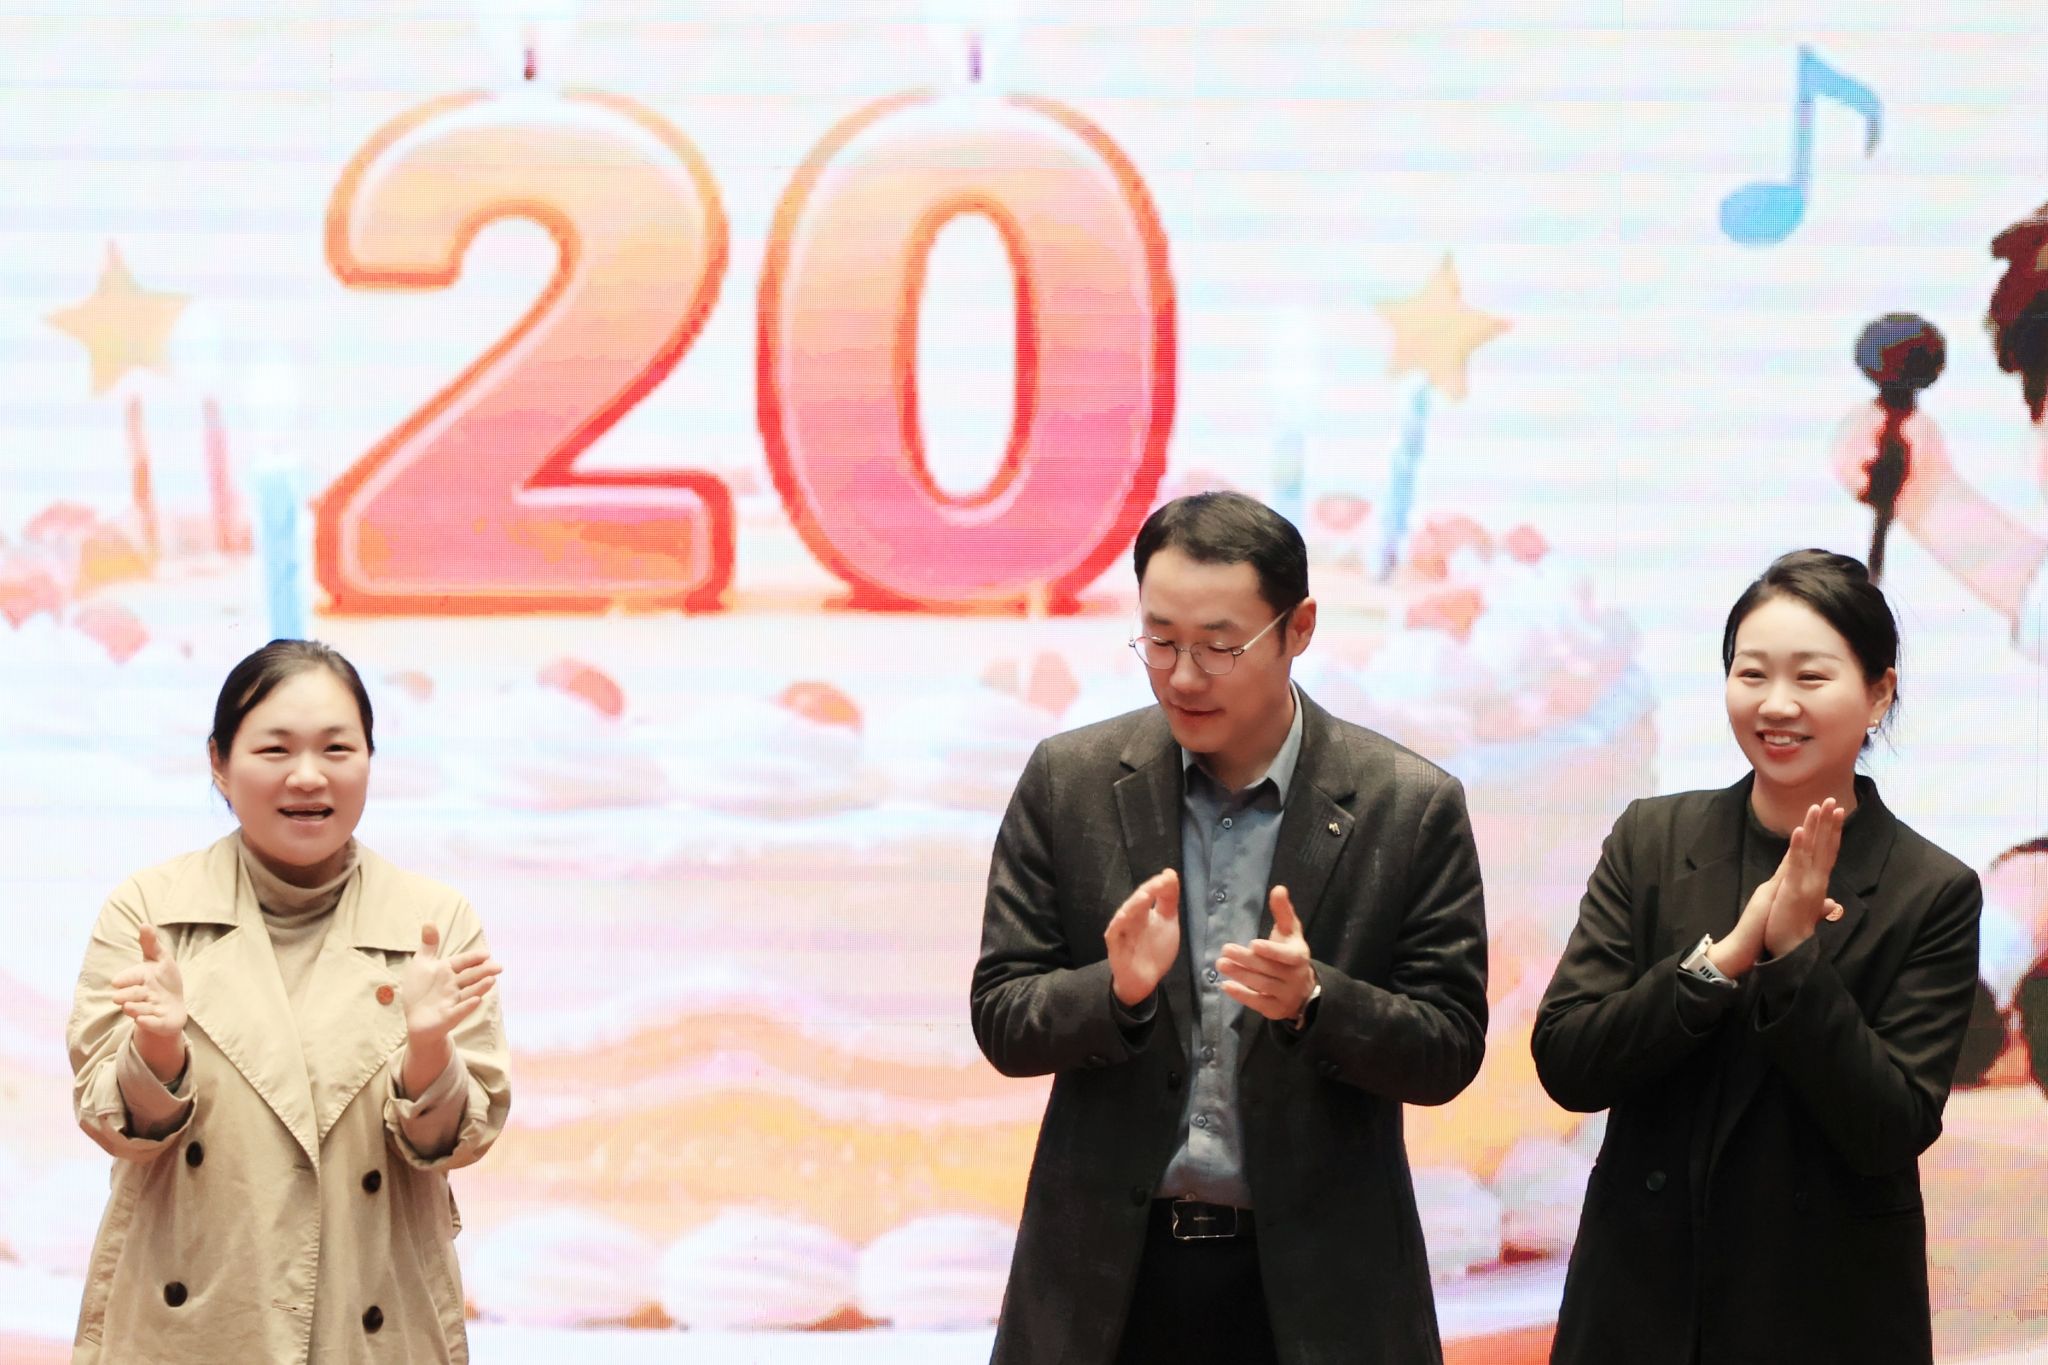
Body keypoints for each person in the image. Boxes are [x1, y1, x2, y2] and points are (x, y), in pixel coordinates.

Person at [971, 491, 1489, 1365]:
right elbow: (1002, 1015)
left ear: (1299, 628)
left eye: (1219, 645)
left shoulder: (1408, 805)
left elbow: (1449, 1048)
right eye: (1160, 640)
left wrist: (1318, 1001)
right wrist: (1114, 992)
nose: (1183, 675)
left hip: (1321, 1300)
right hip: (1106, 1291)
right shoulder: (1070, 782)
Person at [1533, 549, 1981, 1365]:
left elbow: (1890, 1128)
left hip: (1822, 1315)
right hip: (1642, 1306)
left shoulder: (1932, 889)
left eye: (1810, 677)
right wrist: (1725, 958)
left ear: (1879, 692)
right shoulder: (1652, 839)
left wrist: (1797, 957)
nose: (1776, 704)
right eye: (1751, 674)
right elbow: (1568, 1058)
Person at [66, 640, 511, 1364]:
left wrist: (429, 1052)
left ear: (369, 759)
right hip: (192, 1324)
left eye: (337, 748)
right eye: (275, 749)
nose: (308, 776)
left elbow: (459, 1142)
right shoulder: (150, 911)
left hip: (372, 1315)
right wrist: (158, 1049)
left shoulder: (432, 921)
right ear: (219, 762)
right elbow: (110, 1123)